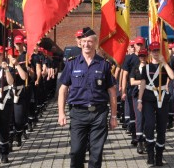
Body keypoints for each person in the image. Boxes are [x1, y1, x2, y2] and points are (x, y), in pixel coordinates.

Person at [58, 27, 117, 168]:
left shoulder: (104, 64)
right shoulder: (72, 63)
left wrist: (113, 116)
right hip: (78, 113)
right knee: (76, 151)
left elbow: (112, 92)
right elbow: (63, 90)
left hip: (99, 114)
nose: (86, 44)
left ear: (95, 43)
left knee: (96, 154)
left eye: (90, 41)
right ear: (80, 43)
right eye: (83, 41)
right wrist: (61, 113)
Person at [137, 41, 174, 166]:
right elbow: (142, 84)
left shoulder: (164, 65)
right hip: (148, 98)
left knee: (161, 128)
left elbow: (172, 76)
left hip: (162, 98)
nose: (156, 53)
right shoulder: (146, 67)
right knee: (149, 125)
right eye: (153, 51)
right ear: (150, 52)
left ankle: (159, 155)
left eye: (157, 50)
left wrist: (164, 62)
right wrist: (139, 100)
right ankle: (150, 154)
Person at [130, 48, 148, 154]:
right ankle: (140, 141)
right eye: (141, 56)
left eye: (144, 56)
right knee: (139, 118)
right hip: (137, 96)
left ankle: (146, 140)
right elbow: (132, 82)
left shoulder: (150, 67)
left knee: (148, 119)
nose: (142, 58)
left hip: (148, 96)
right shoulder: (135, 68)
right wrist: (142, 82)